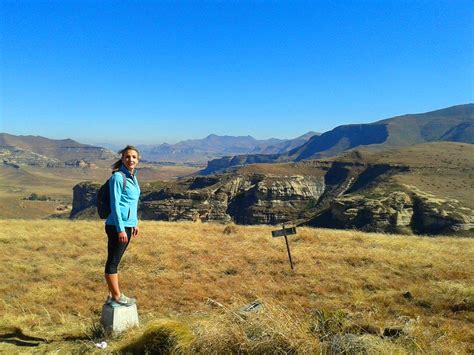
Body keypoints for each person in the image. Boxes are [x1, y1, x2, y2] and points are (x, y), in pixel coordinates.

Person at [104, 145, 141, 307]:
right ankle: (117, 296)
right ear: (122, 159)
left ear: (137, 160)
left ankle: (111, 294)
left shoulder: (133, 177)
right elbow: (115, 204)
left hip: (127, 224)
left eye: (133, 157)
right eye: (127, 157)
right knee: (113, 261)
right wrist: (120, 228)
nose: (130, 159)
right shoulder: (118, 178)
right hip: (116, 226)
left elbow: (132, 203)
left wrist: (135, 222)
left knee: (114, 260)